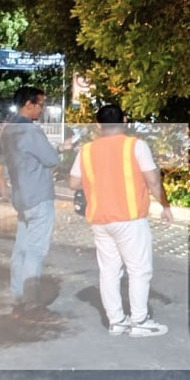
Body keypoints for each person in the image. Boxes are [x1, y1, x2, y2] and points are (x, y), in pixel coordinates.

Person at [70, 104, 173, 337]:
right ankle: (140, 321)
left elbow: (74, 183)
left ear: (98, 125)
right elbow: (153, 182)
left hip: (100, 219)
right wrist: (165, 206)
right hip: (129, 219)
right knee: (139, 270)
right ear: (124, 121)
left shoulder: (86, 151)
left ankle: (116, 321)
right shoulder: (136, 146)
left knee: (109, 271)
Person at [3, 86, 61, 319]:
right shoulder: (31, 132)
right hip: (38, 196)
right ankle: (32, 304)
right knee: (35, 252)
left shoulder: (7, 129)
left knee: (21, 251)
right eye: (41, 104)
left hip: (21, 197)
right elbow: (51, 159)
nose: (42, 109)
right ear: (29, 104)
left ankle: (18, 299)